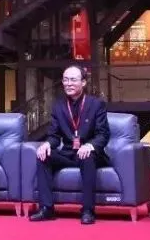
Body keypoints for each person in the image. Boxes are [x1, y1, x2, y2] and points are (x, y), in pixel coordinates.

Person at [28, 65, 110, 225]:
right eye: (65, 80)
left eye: (73, 80)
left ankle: (87, 210)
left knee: (87, 156)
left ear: (83, 82)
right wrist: (47, 144)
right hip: (68, 153)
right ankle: (46, 208)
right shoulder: (58, 106)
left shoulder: (96, 104)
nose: (68, 83)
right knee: (43, 156)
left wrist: (90, 146)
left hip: (90, 154)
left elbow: (103, 134)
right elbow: (54, 136)